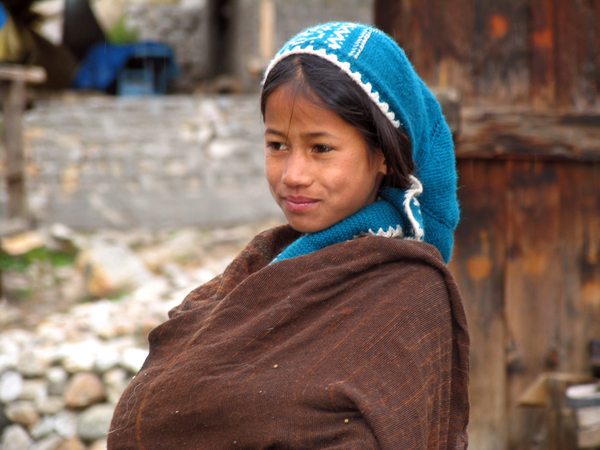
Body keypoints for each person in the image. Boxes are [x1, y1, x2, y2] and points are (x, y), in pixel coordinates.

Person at [108, 22, 469, 450]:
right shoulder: (263, 263)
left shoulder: (409, 294)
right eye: (277, 145)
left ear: (382, 156)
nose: (293, 175)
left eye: (321, 149)